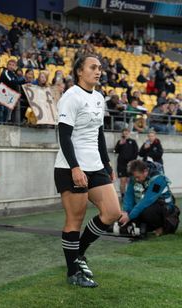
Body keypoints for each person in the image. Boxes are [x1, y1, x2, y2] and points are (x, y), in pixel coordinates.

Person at [54, 54, 121, 288]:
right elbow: (63, 135)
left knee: (112, 212)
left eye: (100, 68)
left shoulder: (99, 97)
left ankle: (79, 252)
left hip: (96, 166)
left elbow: (99, 134)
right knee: (75, 219)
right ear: (79, 71)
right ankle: (73, 272)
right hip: (71, 167)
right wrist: (75, 167)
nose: (98, 71)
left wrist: (107, 163)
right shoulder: (71, 96)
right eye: (93, 67)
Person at [119, 160, 178, 236]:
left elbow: (147, 200)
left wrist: (129, 217)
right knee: (129, 214)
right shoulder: (134, 177)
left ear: (145, 171)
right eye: (134, 177)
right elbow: (129, 196)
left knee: (146, 211)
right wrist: (126, 212)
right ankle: (142, 226)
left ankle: (162, 227)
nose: (136, 179)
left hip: (165, 212)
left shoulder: (158, 180)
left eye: (138, 177)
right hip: (148, 207)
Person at [114, 128, 138, 199]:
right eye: (124, 133)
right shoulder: (120, 142)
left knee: (130, 180)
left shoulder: (133, 142)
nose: (125, 134)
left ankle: (131, 196)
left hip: (130, 165)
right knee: (123, 181)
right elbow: (115, 151)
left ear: (129, 133)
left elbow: (136, 152)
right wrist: (120, 144)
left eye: (126, 133)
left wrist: (132, 161)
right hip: (121, 164)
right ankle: (123, 196)